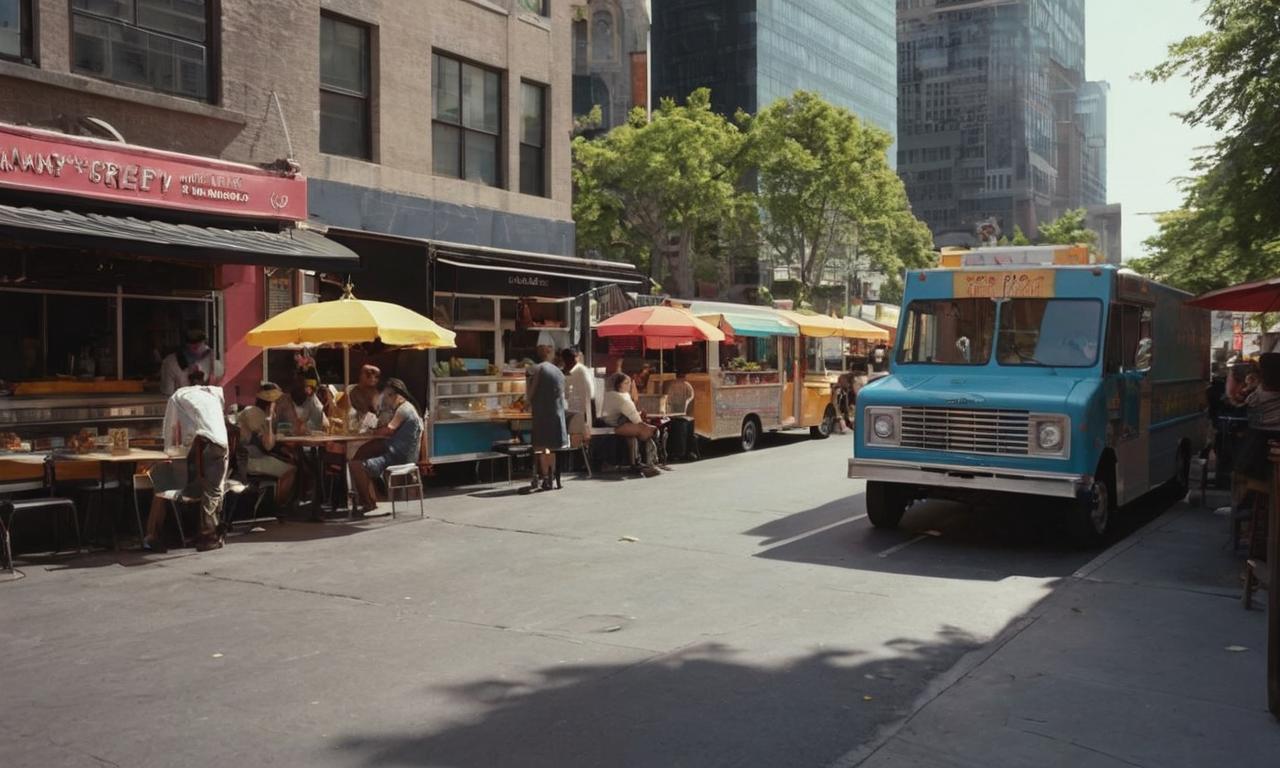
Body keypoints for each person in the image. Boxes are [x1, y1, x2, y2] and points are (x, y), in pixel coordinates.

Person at [145, 370, 229, 552]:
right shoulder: (210, 396)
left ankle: (156, 534)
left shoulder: (181, 396)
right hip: (217, 449)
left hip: (196, 466)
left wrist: (170, 448)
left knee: (162, 479)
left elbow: (172, 429)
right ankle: (207, 531)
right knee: (211, 490)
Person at [348, 378, 423, 514]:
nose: (386, 401)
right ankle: (372, 497)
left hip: (398, 456)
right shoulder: (406, 408)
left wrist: (371, 432)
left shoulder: (404, 409)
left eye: (386, 397)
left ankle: (369, 503)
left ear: (393, 395)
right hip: (399, 452)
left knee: (356, 465)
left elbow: (389, 429)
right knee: (363, 455)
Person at [235, 382, 296, 508]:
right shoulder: (254, 413)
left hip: (252, 456)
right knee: (291, 469)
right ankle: (279, 507)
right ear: (272, 402)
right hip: (247, 459)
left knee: (290, 459)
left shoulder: (257, 412)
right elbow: (268, 445)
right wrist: (269, 419)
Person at [524, 345, 568, 492]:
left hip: (542, 413)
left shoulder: (537, 369)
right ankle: (552, 477)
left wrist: (526, 403)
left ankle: (544, 477)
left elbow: (532, 390)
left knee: (542, 448)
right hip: (556, 413)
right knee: (552, 448)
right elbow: (562, 393)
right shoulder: (559, 372)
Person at [601, 372, 661, 477]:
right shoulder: (621, 398)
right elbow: (636, 419)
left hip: (609, 423)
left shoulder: (611, 394)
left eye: (630, 383)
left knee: (638, 431)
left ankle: (638, 462)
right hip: (613, 426)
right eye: (626, 383)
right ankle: (648, 462)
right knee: (648, 430)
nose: (629, 385)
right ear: (618, 385)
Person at [159, 327, 217, 396]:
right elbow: (168, 394)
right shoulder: (170, 362)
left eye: (200, 345)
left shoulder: (215, 358)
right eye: (193, 347)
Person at [561, 347, 594, 449]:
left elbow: (590, 393)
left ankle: (578, 459)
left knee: (577, 435)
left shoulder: (579, 371)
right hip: (575, 409)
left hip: (580, 410)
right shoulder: (575, 370)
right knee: (577, 435)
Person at [663, 369, 697, 460]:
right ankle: (685, 452)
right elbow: (691, 397)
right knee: (685, 429)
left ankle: (677, 452)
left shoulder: (672, 385)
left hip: (675, 413)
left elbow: (669, 398)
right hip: (683, 414)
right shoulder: (687, 385)